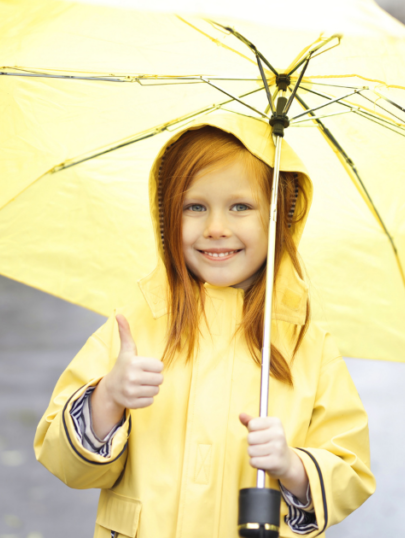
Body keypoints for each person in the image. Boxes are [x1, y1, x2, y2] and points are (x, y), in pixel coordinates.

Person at [34, 119, 374, 537]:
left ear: (278, 218)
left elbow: (351, 471)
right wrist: (107, 398)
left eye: (240, 207)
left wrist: (294, 467)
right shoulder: (136, 326)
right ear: (167, 217)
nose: (216, 227)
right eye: (194, 206)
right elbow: (60, 457)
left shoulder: (306, 345)